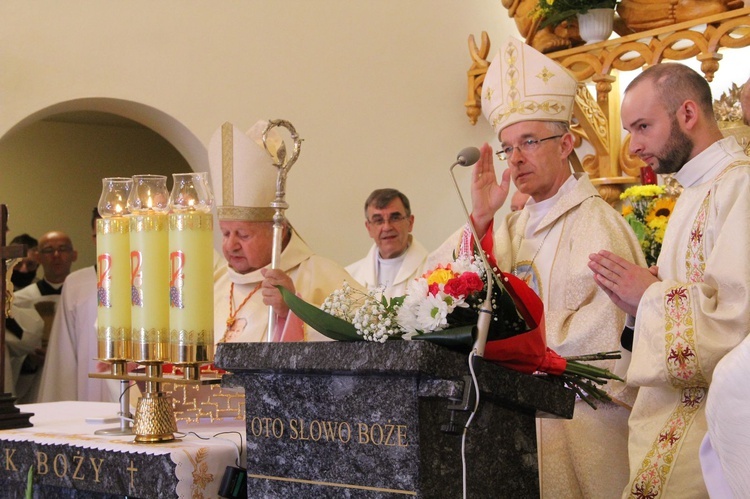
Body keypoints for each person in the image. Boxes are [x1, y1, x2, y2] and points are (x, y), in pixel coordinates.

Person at [457, 37, 645, 498]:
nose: (516, 159)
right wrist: (480, 217)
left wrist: (531, 352)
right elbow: (461, 293)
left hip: (578, 420)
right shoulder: (514, 226)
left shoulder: (599, 224)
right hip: (510, 411)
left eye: (529, 142)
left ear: (566, 144)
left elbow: (611, 328)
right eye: (507, 148)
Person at [588, 63, 750, 498]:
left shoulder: (741, 186)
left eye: (643, 127)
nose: (634, 146)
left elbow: (736, 321)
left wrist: (650, 297)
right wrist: (640, 305)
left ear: (688, 114)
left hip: (710, 426)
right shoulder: (692, 190)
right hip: (669, 413)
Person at [210, 121, 358, 344]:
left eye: (243, 235)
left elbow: (364, 338)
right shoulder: (217, 283)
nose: (231, 246)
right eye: (225, 233)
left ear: (279, 230)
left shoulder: (320, 275)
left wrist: (292, 312)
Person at [38, 208, 118, 403]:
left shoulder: (150, 280)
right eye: (102, 233)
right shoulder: (76, 283)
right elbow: (63, 353)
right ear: (94, 238)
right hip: (89, 397)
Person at [12, 230, 77, 402]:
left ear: (74, 255)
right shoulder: (20, 300)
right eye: (48, 250)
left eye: (63, 249)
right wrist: (29, 360)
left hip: (75, 376)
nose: (56, 255)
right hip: (34, 384)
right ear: (38, 258)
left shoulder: (86, 297)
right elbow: (11, 352)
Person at [346, 189, 428, 298]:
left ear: (410, 222)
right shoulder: (350, 278)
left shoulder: (432, 270)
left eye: (395, 218)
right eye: (378, 220)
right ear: (369, 228)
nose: (387, 227)